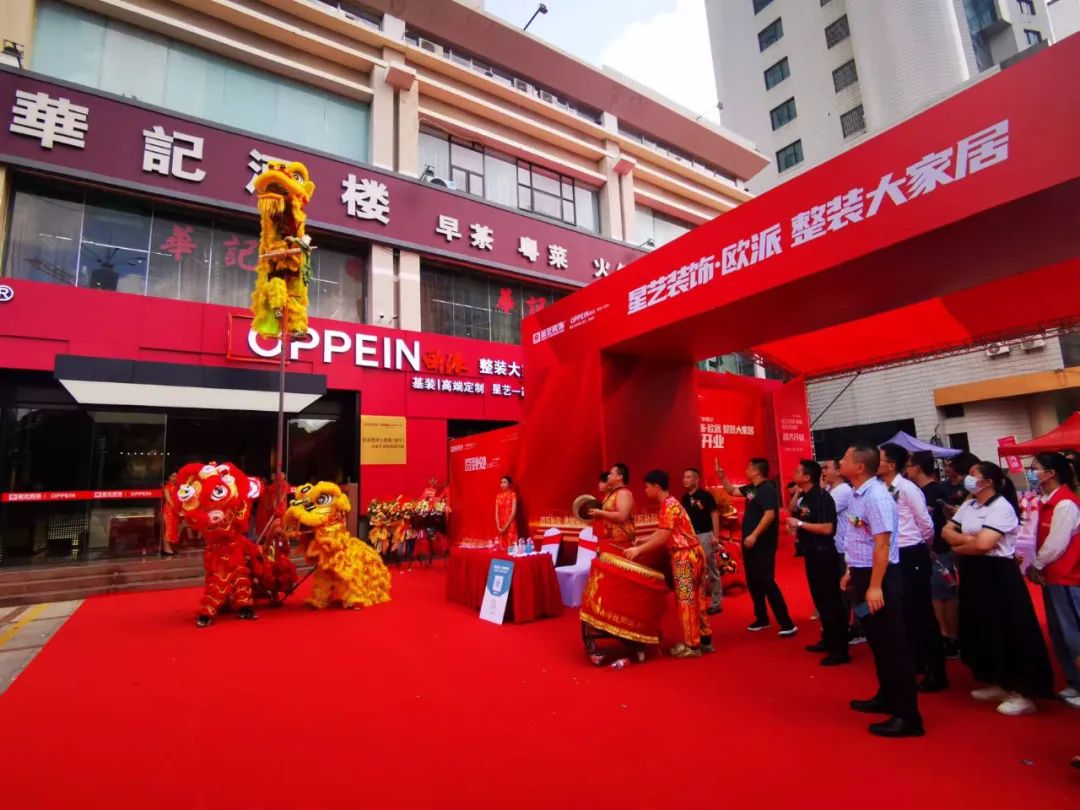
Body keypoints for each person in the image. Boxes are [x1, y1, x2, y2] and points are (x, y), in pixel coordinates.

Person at [942, 461, 1054, 716]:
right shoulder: (970, 505)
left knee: (1008, 627)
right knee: (981, 625)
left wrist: (962, 545)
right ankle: (997, 679)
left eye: (973, 474)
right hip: (973, 570)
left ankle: (1022, 691)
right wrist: (968, 542)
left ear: (988, 481)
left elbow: (985, 544)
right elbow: (947, 531)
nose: (969, 478)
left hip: (998, 573)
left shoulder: (1001, 507)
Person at [840, 444, 923, 738]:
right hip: (863, 576)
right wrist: (851, 571)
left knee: (893, 645)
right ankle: (887, 697)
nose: (840, 461)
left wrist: (875, 586)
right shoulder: (856, 494)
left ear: (860, 466)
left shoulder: (876, 496)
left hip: (881, 580)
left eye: (845, 458)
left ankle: (907, 716)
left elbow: (883, 544)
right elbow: (857, 534)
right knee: (877, 639)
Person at [879, 444, 948, 693]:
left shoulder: (908, 489)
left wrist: (923, 546)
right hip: (892, 555)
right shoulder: (880, 488)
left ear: (891, 464)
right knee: (903, 613)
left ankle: (936, 672)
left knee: (921, 613)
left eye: (880, 458)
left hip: (911, 552)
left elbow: (926, 524)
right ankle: (916, 661)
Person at [626, 469, 713, 658]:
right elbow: (662, 532)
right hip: (694, 553)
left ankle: (692, 645)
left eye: (647, 487)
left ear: (656, 487)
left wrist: (639, 550)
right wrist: (644, 540)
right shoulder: (672, 503)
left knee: (686, 601)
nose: (645, 490)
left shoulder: (668, 506)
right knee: (697, 598)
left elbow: (662, 537)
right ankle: (705, 639)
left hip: (684, 557)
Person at [716, 457, 797, 636]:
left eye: (748, 468)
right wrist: (723, 477)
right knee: (753, 582)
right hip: (750, 544)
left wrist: (754, 535)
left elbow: (769, 515)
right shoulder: (753, 489)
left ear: (756, 471)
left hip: (762, 544)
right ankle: (762, 618)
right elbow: (732, 491)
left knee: (767, 581)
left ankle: (787, 623)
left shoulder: (767, 489)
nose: (746, 471)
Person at [1024, 453, 1080, 709]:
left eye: (1035, 468)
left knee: (1073, 632)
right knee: (1058, 631)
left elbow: (1056, 544)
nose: (1031, 472)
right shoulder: (1047, 501)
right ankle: (1073, 681)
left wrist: (1036, 564)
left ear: (1050, 473)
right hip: (1053, 576)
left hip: (1067, 576)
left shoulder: (1065, 504)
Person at [786, 460, 848, 665]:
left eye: (797, 471)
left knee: (831, 601)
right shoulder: (806, 496)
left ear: (806, 477)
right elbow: (793, 510)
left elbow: (828, 528)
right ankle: (828, 640)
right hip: (812, 553)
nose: (794, 473)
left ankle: (840, 649)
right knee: (820, 600)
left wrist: (800, 523)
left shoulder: (822, 497)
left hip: (824, 554)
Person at [906, 450, 961, 660]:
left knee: (944, 594)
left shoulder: (937, 490)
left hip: (939, 550)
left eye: (909, 466)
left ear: (918, 468)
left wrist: (931, 546)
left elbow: (940, 521)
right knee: (932, 595)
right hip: (923, 551)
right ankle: (940, 635)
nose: (907, 470)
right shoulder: (914, 489)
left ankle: (951, 637)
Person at [823, 458, 863, 647]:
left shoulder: (845, 491)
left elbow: (823, 511)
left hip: (852, 549)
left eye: (827, 467)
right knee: (847, 591)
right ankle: (851, 625)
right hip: (842, 546)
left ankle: (860, 627)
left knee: (855, 592)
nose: (824, 471)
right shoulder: (835, 490)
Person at [680, 467, 723, 615]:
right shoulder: (684, 498)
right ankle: (699, 602)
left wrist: (715, 536)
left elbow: (714, 514)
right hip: (691, 538)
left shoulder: (706, 496)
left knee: (711, 569)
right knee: (694, 571)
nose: (685, 480)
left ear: (697, 479)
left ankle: (716, 603)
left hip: (705, 535)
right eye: (684, 477)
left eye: (688, 477)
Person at [588, 463, 636, 556]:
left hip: (621, 542)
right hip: (609, 541)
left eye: (611, 474)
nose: (608, 476)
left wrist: (600, 513)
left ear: (619, 477)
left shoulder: (623, 493)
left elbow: (622, 516)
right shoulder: (612, 494)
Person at [495, 476, 518, 550]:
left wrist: (505, 527)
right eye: (501, 482)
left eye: (505, 482)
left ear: (509, 484)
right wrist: (499, 527)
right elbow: (496, 514)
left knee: (511, 550)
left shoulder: (513, 495)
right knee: (502, 550)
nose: (502, 484)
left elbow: (513, 513)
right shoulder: (498, 497)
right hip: (501, 526)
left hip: (510, 525)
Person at [161, 472, 180, 556]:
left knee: (173, 529)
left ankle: (169, 548)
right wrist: (175, 508)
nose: (175, 477)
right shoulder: (166, 487)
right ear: (169, 477)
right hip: (169, 511)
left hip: (175, 511)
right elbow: (168, 500)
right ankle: (166, 549)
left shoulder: (178, 487)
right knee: (168, 529)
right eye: (173, 476)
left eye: (176, 476)